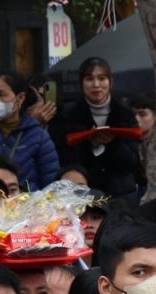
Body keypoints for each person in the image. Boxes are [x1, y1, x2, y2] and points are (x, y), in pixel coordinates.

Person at [55, 58, 145, 199]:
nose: (96, 85)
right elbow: (63, 159)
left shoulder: (125, 113)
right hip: (83, 194)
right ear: (81, 83)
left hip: (121, 193)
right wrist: (89, 144)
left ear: (110, 82)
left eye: (102, 78)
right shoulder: (67, 115)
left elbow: (132, 162)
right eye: (89, 79)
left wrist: (113, 143)